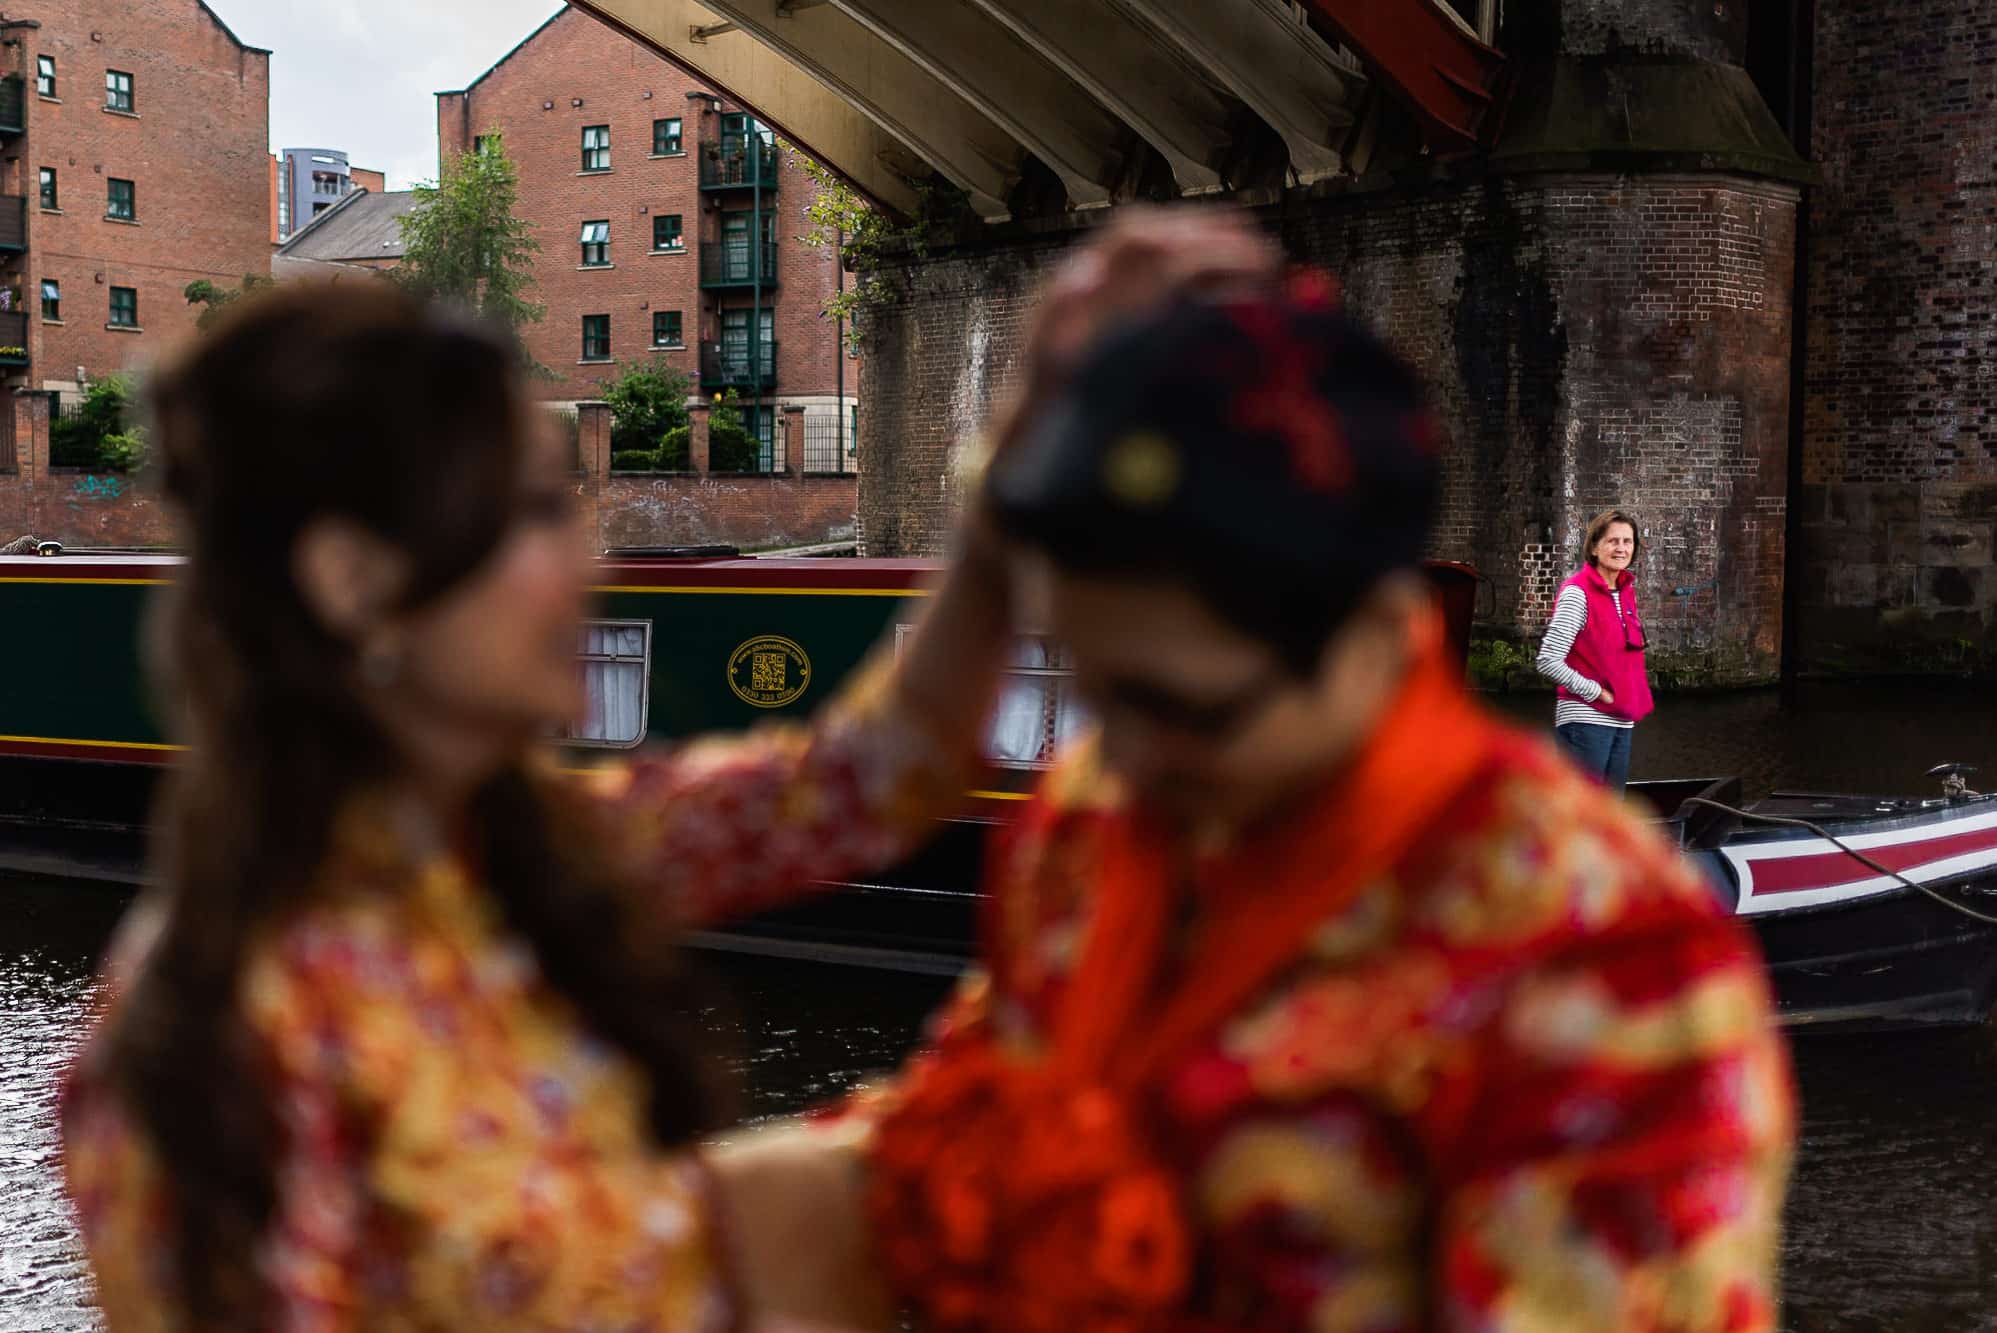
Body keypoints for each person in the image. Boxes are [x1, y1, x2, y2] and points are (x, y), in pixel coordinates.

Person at [832, 217, 1793, 1333]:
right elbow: (955, 1130)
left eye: (1185, 709)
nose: (1122, 765)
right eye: (1102, 698)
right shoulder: (1093, 823)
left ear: (1381, 633)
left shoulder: (1612, 976)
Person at [56, 280, 1027, 1332]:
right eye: (533, 513)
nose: (586, 562)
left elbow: (863, 783)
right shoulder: (218, 1045)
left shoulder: (522, 854)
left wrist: (1003, 508)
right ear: (353, 579)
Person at [1536, 507, 1654, 793]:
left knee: (1610, 810)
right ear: (1594, 547)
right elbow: (1548, 660)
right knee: (1582, 810)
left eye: (1627, 542)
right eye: (1613, 541)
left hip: (1621, 719)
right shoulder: (1578, 593)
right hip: (1586, 719)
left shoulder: (1624, 593)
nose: (1621, 548)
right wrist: (1595, 692)